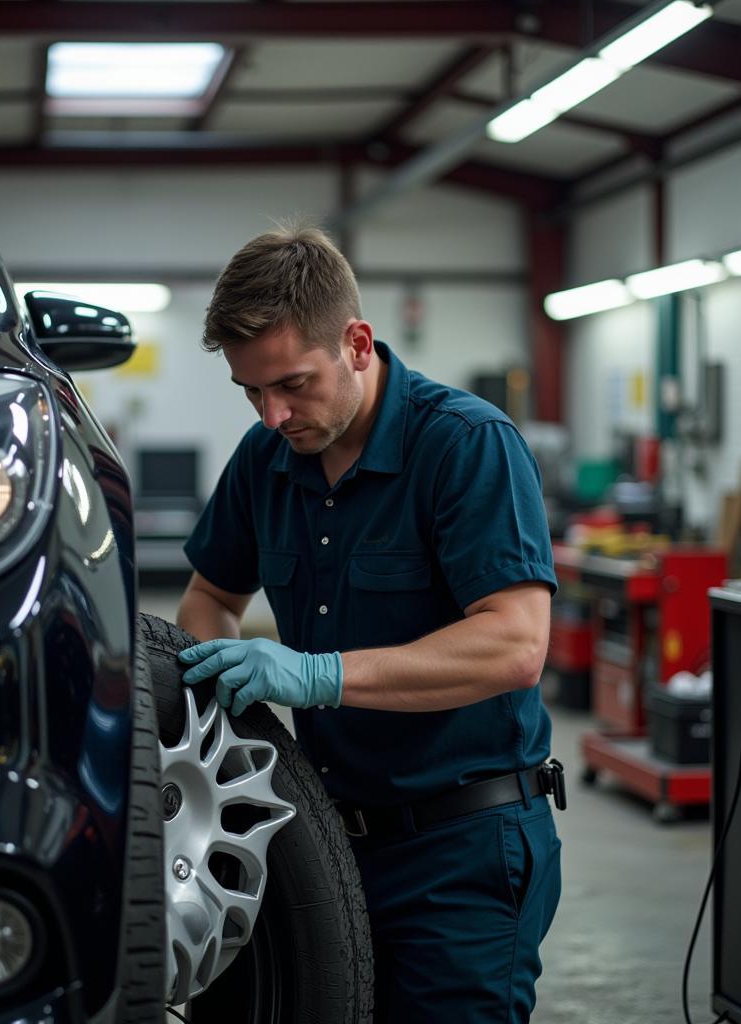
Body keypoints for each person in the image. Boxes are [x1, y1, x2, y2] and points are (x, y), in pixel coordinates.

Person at [175, 223, 563, 1023]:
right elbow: (209, 598)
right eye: (251, 392)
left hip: (461, 849)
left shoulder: (465, 446)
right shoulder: (265, 461)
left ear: (357, 342)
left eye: (292, 384)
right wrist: (222, 688)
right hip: (321, 844)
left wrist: (320, 675)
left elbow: (516, 643)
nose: (273, 412)